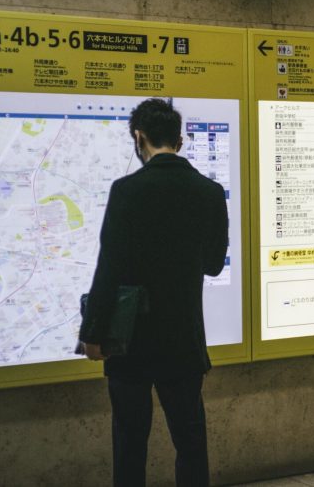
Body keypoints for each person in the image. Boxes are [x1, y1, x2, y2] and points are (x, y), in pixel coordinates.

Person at [81, 98, 228, 487]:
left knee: (129, 443)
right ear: (179, 141)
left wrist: (92, 333)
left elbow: (108, 268)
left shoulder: (126, 190)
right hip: (183, 339)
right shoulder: (210, 192)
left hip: (130, 341)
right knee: (191, 442)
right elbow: (213, 264)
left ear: (138, 137)